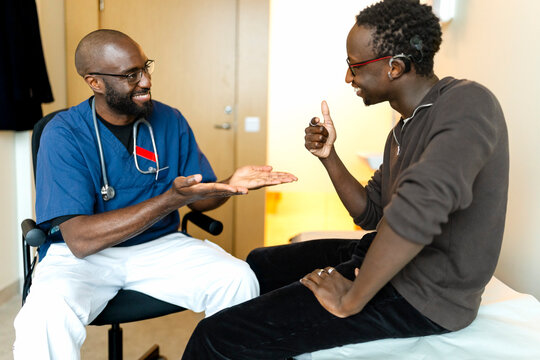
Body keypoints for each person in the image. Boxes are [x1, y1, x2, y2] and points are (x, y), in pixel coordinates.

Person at [180, 0, 509, 358]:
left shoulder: (468, 103)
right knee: (259, 263)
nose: (348, 78)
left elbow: (419, 209)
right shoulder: (402, 130)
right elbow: (370, 213)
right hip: (388, 263)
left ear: (394, 67)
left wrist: (351, 298)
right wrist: (329, 157)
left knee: (213, 337)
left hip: (423, 296)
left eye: (354, 66)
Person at [13, 29, 297, 359]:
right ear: (95, 82)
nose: (146, 81)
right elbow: (79, 239)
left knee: (237, 279)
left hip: (157, 244)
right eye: (131, 75)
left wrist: (230, 183)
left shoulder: (169, 120)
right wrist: (170, 200)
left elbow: (198, 195)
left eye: (145, 67)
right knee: (44, 316)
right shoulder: (63, 134)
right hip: (81, 258)